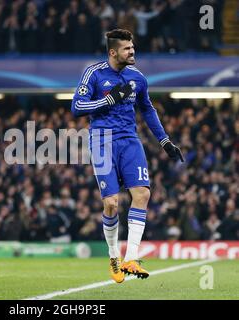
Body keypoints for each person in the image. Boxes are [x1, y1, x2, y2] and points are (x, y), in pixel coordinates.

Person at [71, 29, 184, 283]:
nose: (132, 52)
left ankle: (131, 258)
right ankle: (113, 256)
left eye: (132, 48)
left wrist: (165, 141)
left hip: (130, 141)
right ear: (113, 52)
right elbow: (77, 107)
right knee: (111, 203)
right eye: (126, 49)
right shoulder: (95, 73)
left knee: (143, 193)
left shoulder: (138, 78)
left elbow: (147, 109)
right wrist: (109, 100)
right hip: (101, 141)